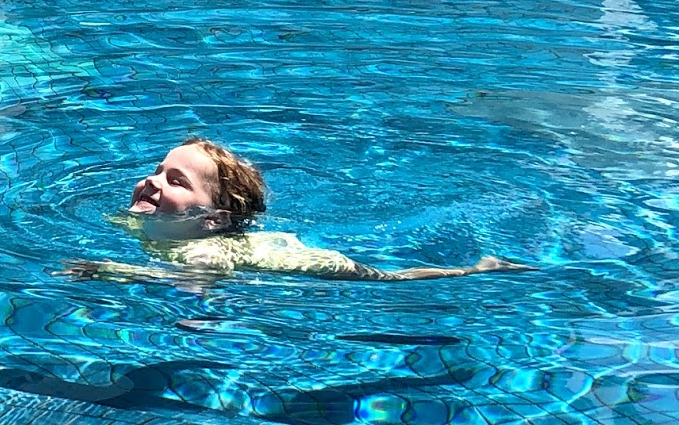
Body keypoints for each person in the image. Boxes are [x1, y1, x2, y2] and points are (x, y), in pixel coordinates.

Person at [64, 138, 533, 283]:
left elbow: (193, 283)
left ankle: (476, 268)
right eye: (157, 170)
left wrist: (111, 270)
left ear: (213, 220)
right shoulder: (140, 219)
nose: (152, 181)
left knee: (387, 278)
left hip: (289, 256)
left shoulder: (203, 251)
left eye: (176, 180)